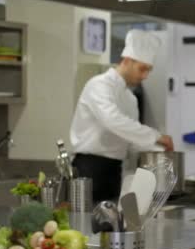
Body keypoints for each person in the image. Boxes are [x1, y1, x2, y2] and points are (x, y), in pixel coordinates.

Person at [70, 29, 174, 203]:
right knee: (86, 225)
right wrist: (157, 136)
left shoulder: (130, 98)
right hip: (89, 169)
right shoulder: (99, 85)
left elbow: (130, 141)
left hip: (114, 171)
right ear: (127, 60)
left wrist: (159, 152)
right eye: (142, 69)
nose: (145, 76)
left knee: (110, 226)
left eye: (149, 70)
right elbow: (113, 120)